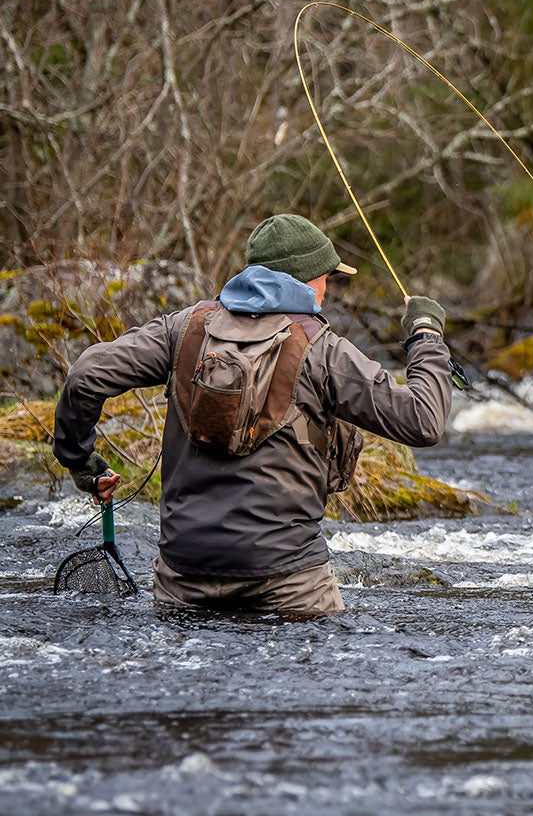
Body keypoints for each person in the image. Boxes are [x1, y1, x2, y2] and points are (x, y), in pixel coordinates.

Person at [52, 214, 453, 615]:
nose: (327, 290)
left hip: (184, 576)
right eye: (327, 278)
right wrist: (426, 336)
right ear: (308, 280)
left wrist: (80, 459)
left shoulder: (183, 328)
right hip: (289, 580)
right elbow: (423, 419)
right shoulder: (323, 349)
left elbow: (86, 375)